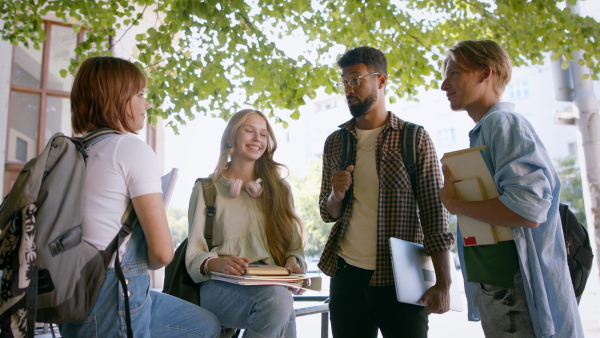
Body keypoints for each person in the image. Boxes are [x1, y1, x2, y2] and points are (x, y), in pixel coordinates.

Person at [60, 56, 221, 338]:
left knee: (204, 325)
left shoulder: (72, 152)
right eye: (140, 94)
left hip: (71, 290)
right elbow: (161, 253)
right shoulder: (130, 149)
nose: (147, 104)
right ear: (118, 98)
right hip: (114, 289)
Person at [439, 40, 584, 337]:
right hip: (502, 290)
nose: (444, 84)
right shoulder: (488, 129)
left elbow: (528, 210)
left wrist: (456, 205)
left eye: (453, 73)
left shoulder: (503, 123)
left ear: (485, 73)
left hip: (515, 294)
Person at [318, 46, 456, 338]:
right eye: (344, 81)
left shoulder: (413, 138)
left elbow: (434, 212)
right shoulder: (335, 142)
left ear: (381, 80)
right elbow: (327, 212)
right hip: (347, 277)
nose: (348, 89)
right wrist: (336, 195)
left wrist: (444, 282)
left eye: (356, 79)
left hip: (401, 278)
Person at [185, 109, 306, 338]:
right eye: (249, 131)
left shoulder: (280, 190)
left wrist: (292, 262)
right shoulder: (206, 189)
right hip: (220, 285)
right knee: (279, 301)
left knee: (281, 301)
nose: (257, 139)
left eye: (263, 134)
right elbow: (194, 255)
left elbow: (294, 246)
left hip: (271, 283)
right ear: (231, 137)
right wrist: (220, 264)